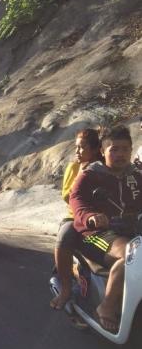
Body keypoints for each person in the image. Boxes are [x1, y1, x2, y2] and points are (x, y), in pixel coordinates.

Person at [70, 125, 142, 332]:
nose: (120, 154)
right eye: (114, 149)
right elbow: (77, 201)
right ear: (103, 151)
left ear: (131, 150)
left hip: (131, 229)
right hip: (96, 234)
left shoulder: (136, 175)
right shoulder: (90, 175)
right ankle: (106, 306)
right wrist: (91, 217)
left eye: (125, 149)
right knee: (132, 255)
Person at [50, 128, 102, 310]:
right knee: (64, 236)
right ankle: (65, 288)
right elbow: (66, 195)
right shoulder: (74, 168)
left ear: (96, 149)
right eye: (77, 147)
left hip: (102, 218)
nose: (78, 152)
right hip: (74, 217)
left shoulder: (105, 168)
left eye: (82, 147)